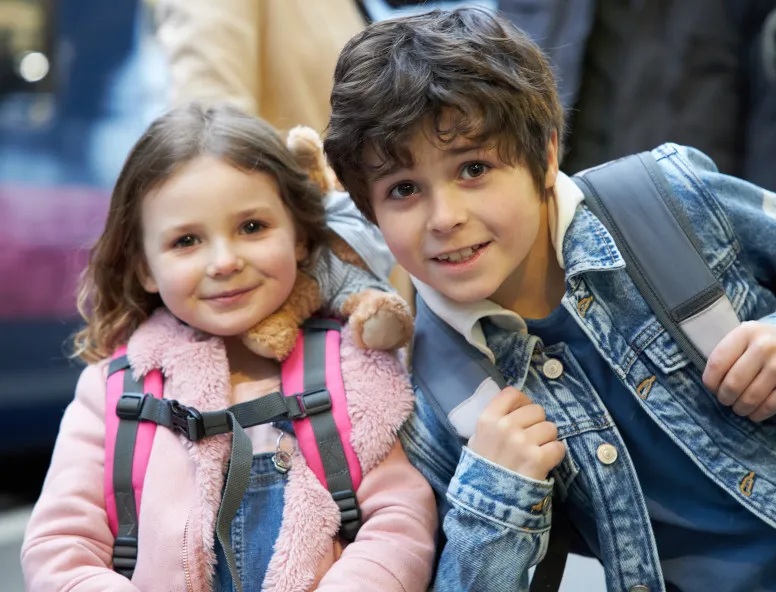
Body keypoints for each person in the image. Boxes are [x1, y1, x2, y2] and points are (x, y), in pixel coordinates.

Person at [323, 8, 776, 592]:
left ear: (546, 156)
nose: (444, 218)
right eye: (403, 189)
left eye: (474, 168)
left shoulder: (667, 198)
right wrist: (496, 492)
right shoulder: (433, 392)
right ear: (370, 213)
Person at [20, 102, 436, 591]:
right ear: (145, 267)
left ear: (300, 236)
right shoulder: (113, 393)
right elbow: (60, 548)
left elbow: (399, 524)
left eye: (252, 227)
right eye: (186, 240)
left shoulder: (355, 367)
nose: (224, 261)